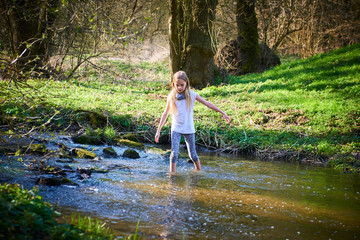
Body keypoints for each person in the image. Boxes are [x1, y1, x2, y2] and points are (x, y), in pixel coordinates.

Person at [155, 71, 231, 173]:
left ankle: (199, 172)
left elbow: (208, 104)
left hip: (189, 128)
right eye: (177, 85)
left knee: (192, 155)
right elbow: (165, 114)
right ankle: (172, 175)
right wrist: (158, 130)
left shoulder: (192, 95)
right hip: (176, 128)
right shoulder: (171, 96)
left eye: (182, 85)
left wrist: (223, 113)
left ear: (187, 83)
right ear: (174, 84)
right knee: (174, 153)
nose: (180, 88)